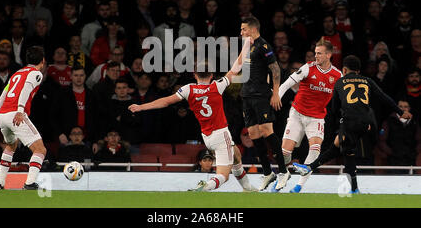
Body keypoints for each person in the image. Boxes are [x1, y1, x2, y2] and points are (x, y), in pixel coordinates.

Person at [129, 49, 256, 192]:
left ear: (194, 75)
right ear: (212, 75)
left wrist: (141, 107)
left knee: (236, 154)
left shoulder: (188, 89)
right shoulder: (217, 86)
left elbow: (165, 101)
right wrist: (246, 44)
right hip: (221, 135)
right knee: (223, 176)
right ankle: (205, 187)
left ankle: (248, 188)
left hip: (207, 136)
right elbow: (236, 67)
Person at [293, 55, 413, 193]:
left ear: (344, 69)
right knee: (343, 149)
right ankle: (354, 188)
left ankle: (309, 167)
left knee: (340, 148)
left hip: (349, 121)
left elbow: (334, 108)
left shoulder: (339, 82)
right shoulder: (367, 80)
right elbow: (383, 97)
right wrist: (400, 112)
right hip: (366, 122)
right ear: (358, 70)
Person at [277, 38, 342, 193]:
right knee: (285, 152)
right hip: (297, 114)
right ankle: (283, 175)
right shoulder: (308, 68)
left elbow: (343, 99)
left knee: (315, 148)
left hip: (316, 118)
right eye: (315, 53)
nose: (316, 56)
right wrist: (277, 97)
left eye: (319, 54)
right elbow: (286, 83)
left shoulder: (337, 75)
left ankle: (299, 185)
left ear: (329, 55)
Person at [0, 46, 48, 190]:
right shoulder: (36, 73)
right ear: (42, 61)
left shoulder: (17, 73)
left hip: (3, 115)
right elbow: (25, 90)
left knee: (11, 146)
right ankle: (30, 183)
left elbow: (3, 95)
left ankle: (0, 183)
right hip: (15, 114)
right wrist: (20, 110)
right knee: (40, 150)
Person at [239, 16, 290, 191]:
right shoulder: (247, 46)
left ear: (253, 29)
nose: (241, 32)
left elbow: (275, 69)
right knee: (253, 134)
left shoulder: (263, 45)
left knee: (267, 131)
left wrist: (275, 93)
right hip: (247, 95)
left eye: (243, 29)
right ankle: (268, 173)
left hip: (261, 95)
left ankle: (283, 172)